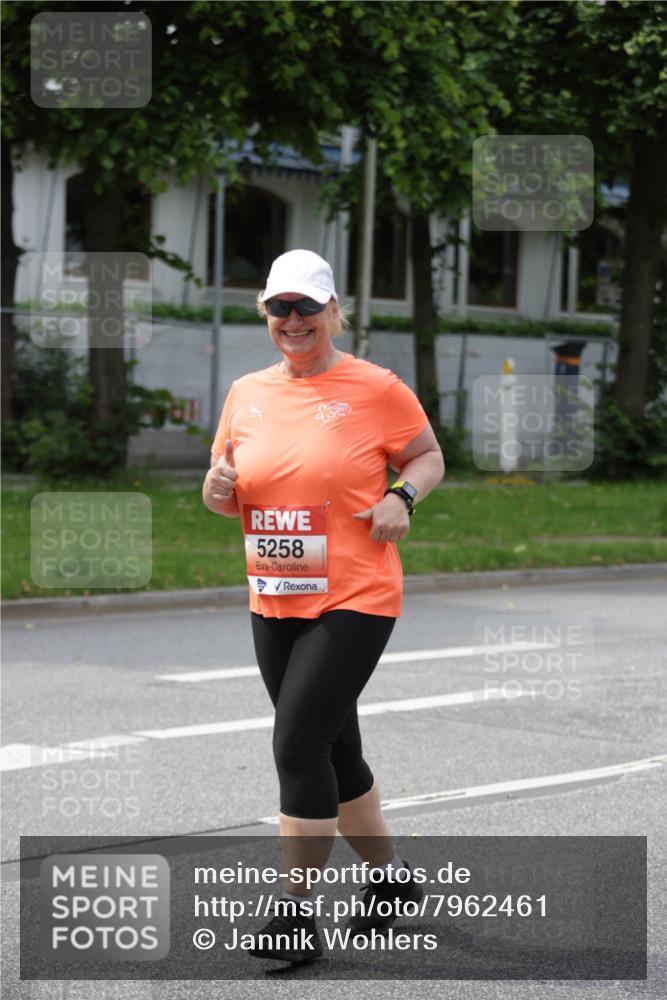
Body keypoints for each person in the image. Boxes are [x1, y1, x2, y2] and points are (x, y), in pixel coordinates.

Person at [202, 249, 445, 963]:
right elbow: (225, 486)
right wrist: (216, 492)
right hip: (275, 593)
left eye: (307, 306)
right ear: (265, 316)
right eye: (279, 307)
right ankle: (391, 880)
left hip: (355, 594)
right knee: (336, 748)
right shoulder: (245, 392)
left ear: (334, 311)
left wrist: (402, 497)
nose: (293, 319)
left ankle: (292, 913)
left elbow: (427, 455)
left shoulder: (375, 387)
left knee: (297, 743)